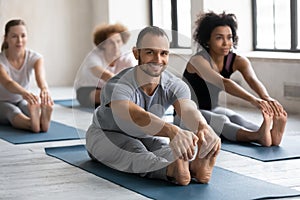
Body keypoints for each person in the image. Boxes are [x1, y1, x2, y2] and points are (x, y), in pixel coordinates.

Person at [86, 26, 221, 185]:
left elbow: (188, 109)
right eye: (150, 52)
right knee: (134, 151)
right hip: (105, 134)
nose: (158, 59)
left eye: (163, 53)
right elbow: (136, 116)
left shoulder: (175, 84)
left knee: (167, 150)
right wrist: (172, 131)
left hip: (146, 135)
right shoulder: (116, 84)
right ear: (136, 53)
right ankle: (171, 170)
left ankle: (194, 167)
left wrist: (203, 127)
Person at [181, 11, 287, 147]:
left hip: (212, 108)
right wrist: (253, 100)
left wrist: (266, 98)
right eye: (219, 38)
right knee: (221, 119)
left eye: (230, 37)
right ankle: (256, 136)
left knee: (235, 117)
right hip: (185, 114)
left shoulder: (237, 60)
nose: (226, 43)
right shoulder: (198, 61)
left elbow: (253, 80)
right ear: (208, 40)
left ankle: (270, 133)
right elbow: (223, 82)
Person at [0, 19, 53, 133]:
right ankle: (34, 124)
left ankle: (39, 121)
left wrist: (44, 89)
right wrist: (25, 93)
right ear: (6, 38)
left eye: (23, 36)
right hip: (2, 102)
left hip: (21, 100)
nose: (19, 40)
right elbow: (8, 83)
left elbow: (40, 78)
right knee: (12, 111)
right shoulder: (1, 61)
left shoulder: (35, 57)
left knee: (28, 107)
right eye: (14, 36)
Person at [74, 23, 137, 108]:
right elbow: (105, 75)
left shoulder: (127, 58)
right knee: (106, 94)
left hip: (115, 89)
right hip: (89, 89)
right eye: (111, 42)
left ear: (123, 42)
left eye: (118, 41)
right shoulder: (94, 56)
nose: (116, 46)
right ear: (103, 44)